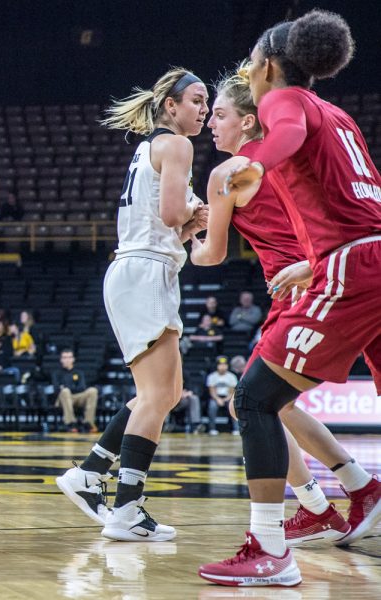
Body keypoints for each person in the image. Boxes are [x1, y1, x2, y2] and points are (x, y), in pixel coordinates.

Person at [198, 11, 381, 586]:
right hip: (366, 255)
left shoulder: (285, 101)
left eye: (250, 65)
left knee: (254, 398)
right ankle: (351, 491)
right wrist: (316, 258)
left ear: (266, 66)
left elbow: (287, 135)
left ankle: (269, 549)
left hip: (354, 267)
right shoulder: (341, 115)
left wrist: (248, 163)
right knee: (264, 397)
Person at [55, 68, 209, 542]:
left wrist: (191, 223)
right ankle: (126, 509)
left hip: (145, 269)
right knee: (159, 396)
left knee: (164, 393)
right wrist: (211, 210)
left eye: (207, 104)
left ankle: (90, 472)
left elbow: (169, 228)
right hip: (142, 272)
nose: (204, 110)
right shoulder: (177, 146)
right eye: (198, 101)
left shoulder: (150, 149)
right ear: (171, 106)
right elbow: (170, 215)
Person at [52, 349, 99, 433]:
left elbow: (82, 388)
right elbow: (56, 390)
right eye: (65, 357)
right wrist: (69, 388)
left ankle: (88, 422)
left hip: (76, 398)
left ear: (73, 359)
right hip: (61, 400)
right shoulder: (56, 373)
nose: (67, 360)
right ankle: (71, 423)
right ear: (61, 359)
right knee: (65, 392)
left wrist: (65, 387)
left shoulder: (78, 373)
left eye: (69, 357)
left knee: (93, 390)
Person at [205, 357, 238, 435]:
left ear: (227, 366)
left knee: (233, 405)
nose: (222, 367)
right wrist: (218, 399)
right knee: (212, 406)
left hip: (228, 397)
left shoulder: (232, 376)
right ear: (217, 366)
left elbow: (232, 391)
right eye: (220, 365)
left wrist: (226, 399)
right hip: (216, 397)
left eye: (224, 365)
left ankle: (236, 429)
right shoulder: (212, 376)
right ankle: (212, 429)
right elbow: (212, 391)